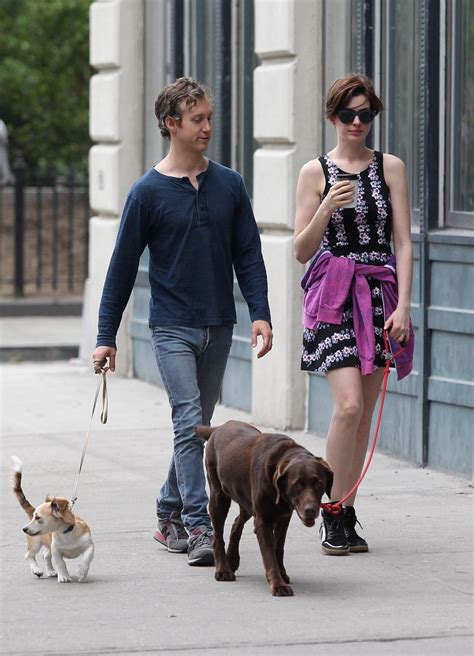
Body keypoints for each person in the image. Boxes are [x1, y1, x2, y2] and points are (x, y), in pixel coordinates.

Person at [92, 77, 273, 567]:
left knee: (197, 428)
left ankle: (167, 509)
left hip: (219, 323)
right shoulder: (146, 194)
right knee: (190, 422)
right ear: (172, 124)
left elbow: (249, 255)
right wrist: (106, 337)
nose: (207, 127)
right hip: (170, 325)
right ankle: (198, 525)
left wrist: (260, 313)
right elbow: (121, 268)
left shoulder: (230, 184)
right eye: (197, 119)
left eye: (209, 118)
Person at [294, 74, 414, 555]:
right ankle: (329, 511)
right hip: (333, 295)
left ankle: (346, 507)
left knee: (362, 415)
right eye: (349, 114)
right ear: (333, 117)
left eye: (366, 114)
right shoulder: (314, 172)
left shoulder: (391, 167)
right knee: (347, 407)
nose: (358, 122)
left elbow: (403, 241)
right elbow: (301, 249)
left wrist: (405, 304)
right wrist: (326, 205)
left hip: (380, 296)